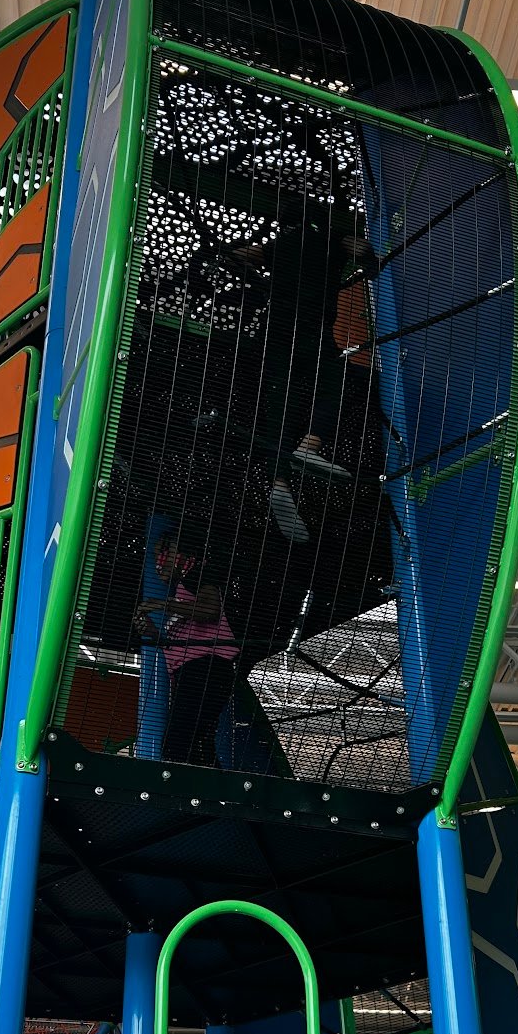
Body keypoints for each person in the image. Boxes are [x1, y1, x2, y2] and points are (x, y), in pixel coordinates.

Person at [232, 214, 377, 544]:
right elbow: (361, 250)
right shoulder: (331, 239)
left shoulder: (282, 245)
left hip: (277, 329)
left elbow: (243, 254)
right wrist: (371, 262)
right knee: (336, 382)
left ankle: (279, 482)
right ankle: (309, 446)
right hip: (312, 328)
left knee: (281, 405)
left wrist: (248, 268)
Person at [133, 533, 239, 766]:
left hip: (206, 668)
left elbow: (210, 610)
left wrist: (163, 604)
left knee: (178, 745)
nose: (159, 561)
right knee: (194, 743)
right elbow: (182, 645)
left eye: (165, 551)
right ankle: (214, 787)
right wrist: (153, 633)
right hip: (195, 673)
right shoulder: (181, 594)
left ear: (183, 553)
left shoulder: (195, 576)